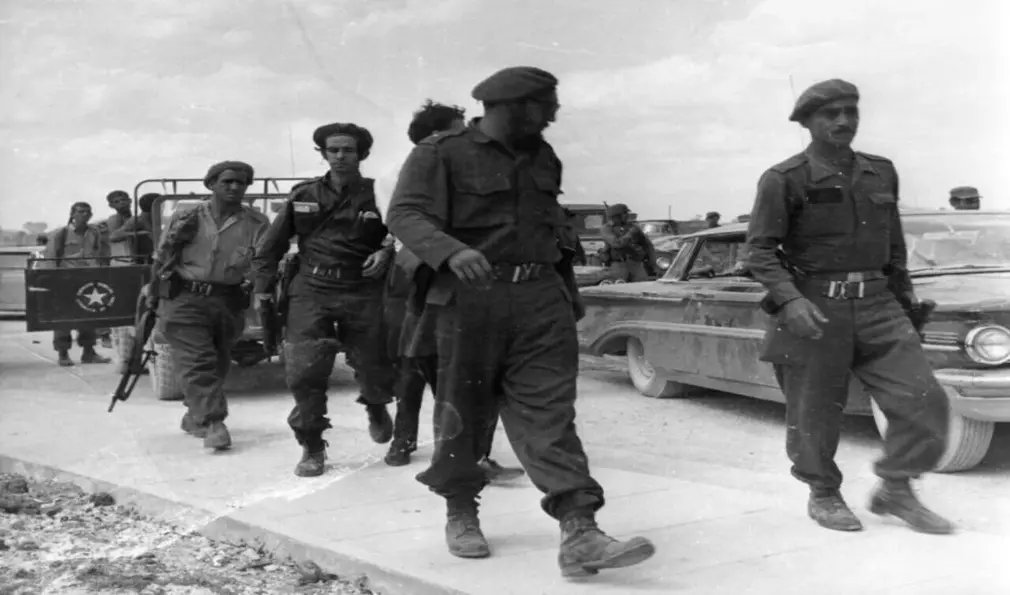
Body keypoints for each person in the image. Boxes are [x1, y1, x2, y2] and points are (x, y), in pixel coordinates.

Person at [387, 66, 656, 577]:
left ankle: (580, 529)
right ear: (512, 106)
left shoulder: (543, 156)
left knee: (551, 415)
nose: (553, 114)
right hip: (469, 300)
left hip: (540, 300)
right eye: (545, 105)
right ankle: (461, 510)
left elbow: (551, 232)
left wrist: (567, 293)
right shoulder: (438, 153)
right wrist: (450, 252)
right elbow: (405, 215)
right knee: (463, 409)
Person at [745, 79, 953, 535]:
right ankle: (823, 493)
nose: (843, 121)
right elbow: (759, 250)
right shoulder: (784, 178)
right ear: (807, 123)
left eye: (850, 112)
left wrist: (907, 304)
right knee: (814, 411)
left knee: (925, 399)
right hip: (815, 308)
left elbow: (893, 244)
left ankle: (896, 488)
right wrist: (791, 300)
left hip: (880, 303)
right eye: (830, 114)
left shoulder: (881, 171)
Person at [383, 100, 525, 487]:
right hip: (423, 292)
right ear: (435, 136)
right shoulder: (419, 170)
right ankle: (408, 445)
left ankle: (472, 457)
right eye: (457, 129)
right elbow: (405, 234)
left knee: (472, 383)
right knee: (420, 377)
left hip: (461, 292)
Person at [252, 122, 397, 478]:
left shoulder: (380, 194)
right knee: (304, 372)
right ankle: (312, 446)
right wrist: (262, 288)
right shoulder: (303, 195)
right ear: (323, 153)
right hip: (311, 290)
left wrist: (387, 251)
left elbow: (404, 230)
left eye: (348, 149)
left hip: (362, 288)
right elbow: (272, 244)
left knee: (374, 363)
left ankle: (376, 405)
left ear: (361, 153)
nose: (341, 156)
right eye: (333, 150)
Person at [150, 161, 269, 452]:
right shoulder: (186, 215)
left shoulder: (257, 223)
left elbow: (263, 264)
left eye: (241, 183)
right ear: (211, 184)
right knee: (197, 360)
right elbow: (162, 256)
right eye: (227, 181)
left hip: (227, 299)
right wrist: (152, 292)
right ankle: (214, 423)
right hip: (184, 298)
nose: (234, 187)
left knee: (218, 362)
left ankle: (195, 415)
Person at [40, 202, 112, 367]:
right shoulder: (61, 234)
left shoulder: (94, 232)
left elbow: (100, 254)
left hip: (88, 280)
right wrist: (53, 282)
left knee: (89, 317)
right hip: (65, 280)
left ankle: (89, 352)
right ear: (72, 214)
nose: (84, 215)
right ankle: (63, 353)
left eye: (87, 212)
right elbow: (51, 259)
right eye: (80, 211)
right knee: (63, 319)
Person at [600, 203, 654, 282]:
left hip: (636, 263)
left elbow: (648, 245)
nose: (627, 215)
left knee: (642, 285)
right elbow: (616, 244)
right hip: (618, 264)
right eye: (624, 213)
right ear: (616, 216)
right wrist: (629, 234)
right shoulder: (607, 229)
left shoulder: (632, 226)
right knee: (619, 285)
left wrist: (652, 262)